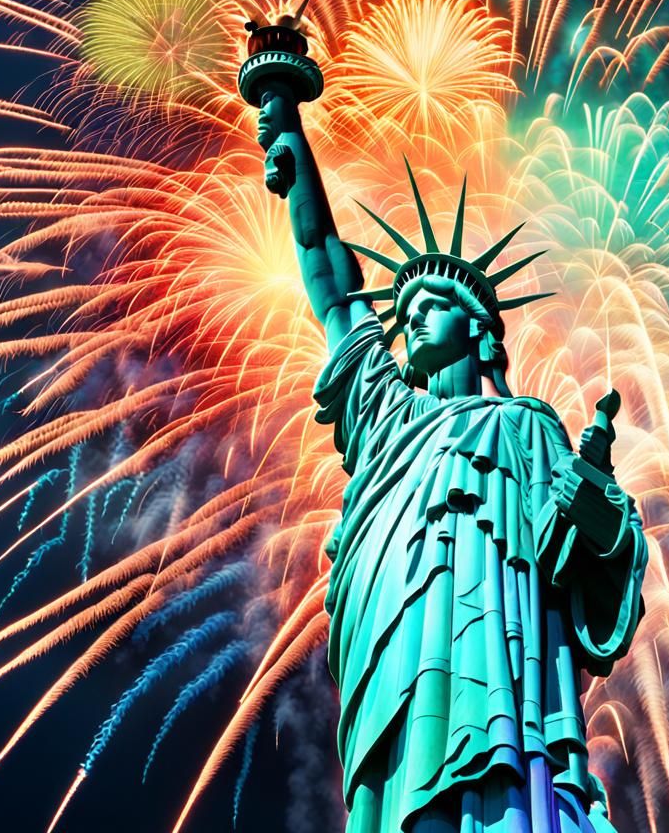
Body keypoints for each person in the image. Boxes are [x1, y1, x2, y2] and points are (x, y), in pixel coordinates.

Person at [254, 74, 647, 833]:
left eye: (428, 307)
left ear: (477, 326)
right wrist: (286, 120)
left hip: (497, 645)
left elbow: (590, 557)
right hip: (393, 636)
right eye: (402, 313)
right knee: (404, 804)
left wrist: (594, 505)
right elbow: (328, 274)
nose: (409, 322)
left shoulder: (525, 426)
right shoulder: (386, 415)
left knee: (495, 790)